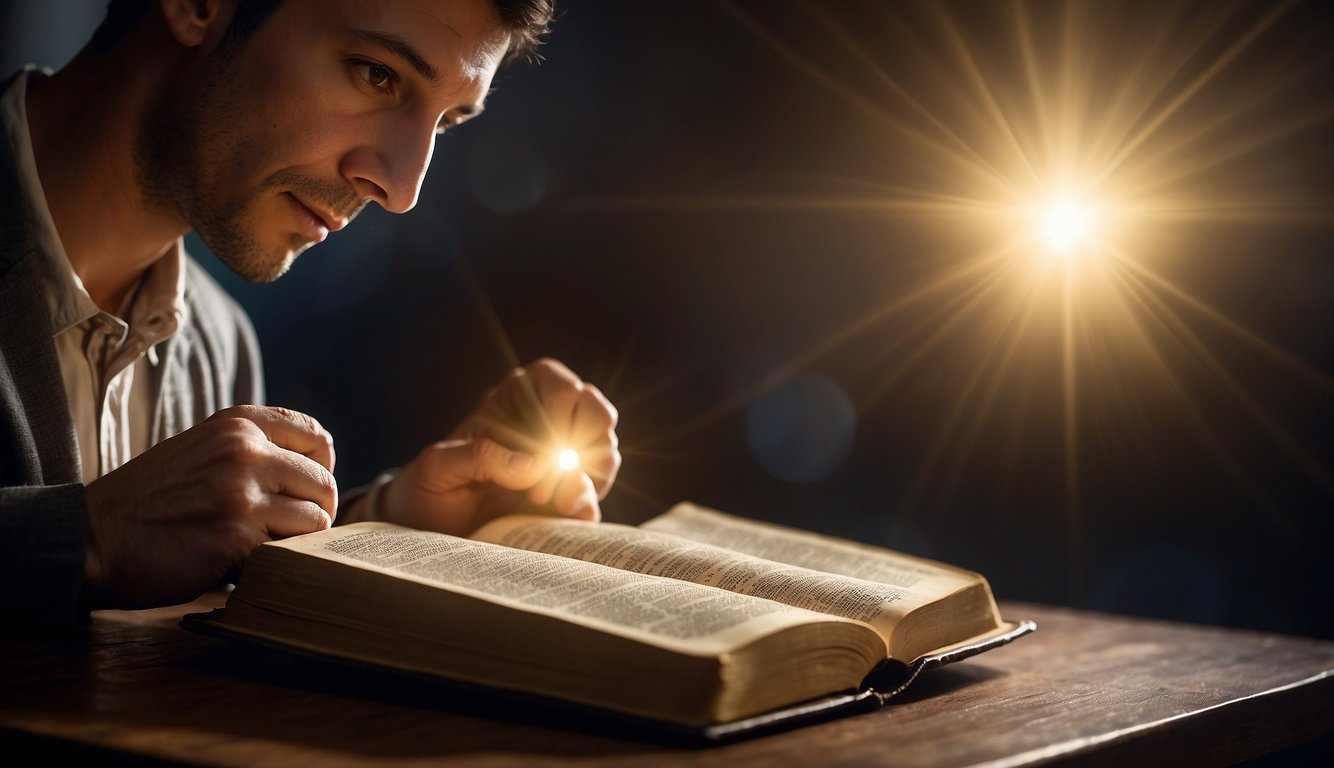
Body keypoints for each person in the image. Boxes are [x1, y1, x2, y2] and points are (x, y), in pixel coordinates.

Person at [0, 0, 621, 627]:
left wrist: (397, 523)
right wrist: (93, 538)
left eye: (446, 125)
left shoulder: (218, 344)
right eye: (377, 74)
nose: (403, 189)